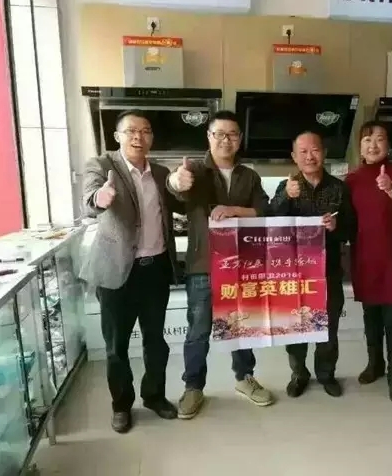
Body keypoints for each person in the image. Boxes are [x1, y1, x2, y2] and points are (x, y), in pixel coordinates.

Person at [81, 110, 185, 433]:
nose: (138, 136)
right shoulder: (101, 165)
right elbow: (89, 198)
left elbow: (179, 201)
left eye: (145, 130)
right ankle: (121, 405)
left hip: (155, 271)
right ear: (117, 136)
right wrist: (100, 197)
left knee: (156, 342)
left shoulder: (162, 172)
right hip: (117, 272)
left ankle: (154, 396)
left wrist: (182, 186)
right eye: (131, 131)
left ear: (151, 137)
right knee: (116, 347)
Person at [167, 110, 274, 419]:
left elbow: (263, 210)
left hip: (241, 265)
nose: (226, 140)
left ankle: (244, 378)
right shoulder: (195, 171)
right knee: (198, 330)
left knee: (241, 325)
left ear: (239, 139)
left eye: (233, 134)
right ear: (209, 137)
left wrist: (234, 209)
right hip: (203, 264)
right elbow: (175, 192)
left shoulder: (248, 176)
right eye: (220, 134)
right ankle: (193, 387)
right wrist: (175, 181)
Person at [270, 130, 355, 398]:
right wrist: (286, 197)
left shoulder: (339, 188)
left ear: (324, 153)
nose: (310, 156)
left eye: (315, 150)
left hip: (328, 270)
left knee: (328, 327)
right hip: (294, 273)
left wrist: (337, 226)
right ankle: (299, 374)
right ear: (294, 157)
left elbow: (352, 228)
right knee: (296, 327)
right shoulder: (286, 186)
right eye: (303, 152)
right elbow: (270, 223)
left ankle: (326, 374)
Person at [345, 121, 392, 404]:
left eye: (379, 139)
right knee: (370, 315)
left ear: (388, 145)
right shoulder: (351, 179)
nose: (373, 145)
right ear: (360, 147)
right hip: (364, 256)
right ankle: (375, 363)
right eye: (367, 140)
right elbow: (346, 219)